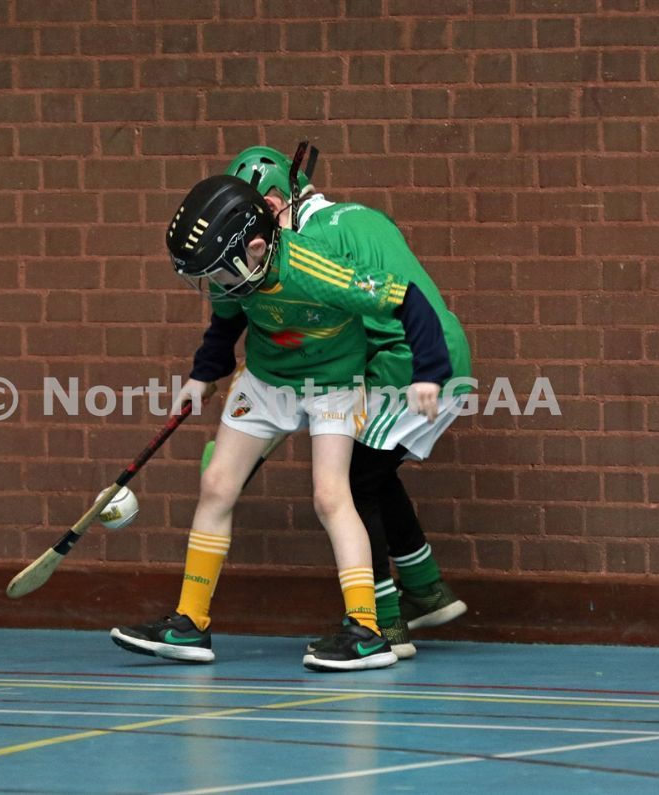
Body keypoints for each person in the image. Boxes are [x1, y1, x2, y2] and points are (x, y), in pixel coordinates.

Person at [111, 171, 452, 671]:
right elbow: (227, 320)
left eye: (217, 274)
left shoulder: (314, 269)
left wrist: (429, 373)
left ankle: (366, 632)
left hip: (332, 382)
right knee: (217, 485)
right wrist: (203, 375)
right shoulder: (236, 272)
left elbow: (406, 298)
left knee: (331, 496)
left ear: (254, 248)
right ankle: (190, 623)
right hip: (266, 380)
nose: (214, 285)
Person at [224, 146, 472, 658]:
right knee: (373, 472)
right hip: (439, 352)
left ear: (273, 204)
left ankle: (381, 625)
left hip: (407, 364)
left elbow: (331, 338)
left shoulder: (307, 244)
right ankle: (425, 588)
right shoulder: (359, 215)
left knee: (350, 485)